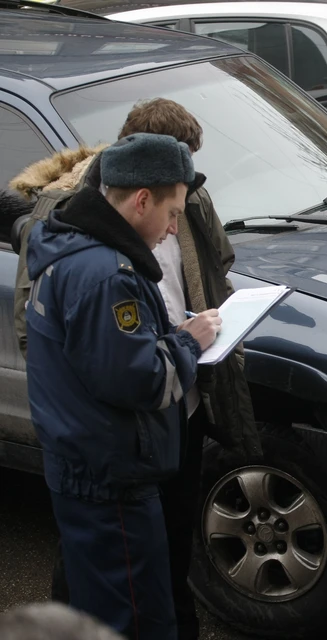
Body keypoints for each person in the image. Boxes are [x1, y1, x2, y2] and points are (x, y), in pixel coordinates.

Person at [9, 98, 263, 639]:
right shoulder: (107, 276)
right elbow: (140, 379)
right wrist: (187, 343)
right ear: (142, 198)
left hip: (98, 462)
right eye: (172, 213)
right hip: (112, 473)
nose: (176, 226)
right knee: (133, 613)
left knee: (127, 593)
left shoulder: (77, 248)